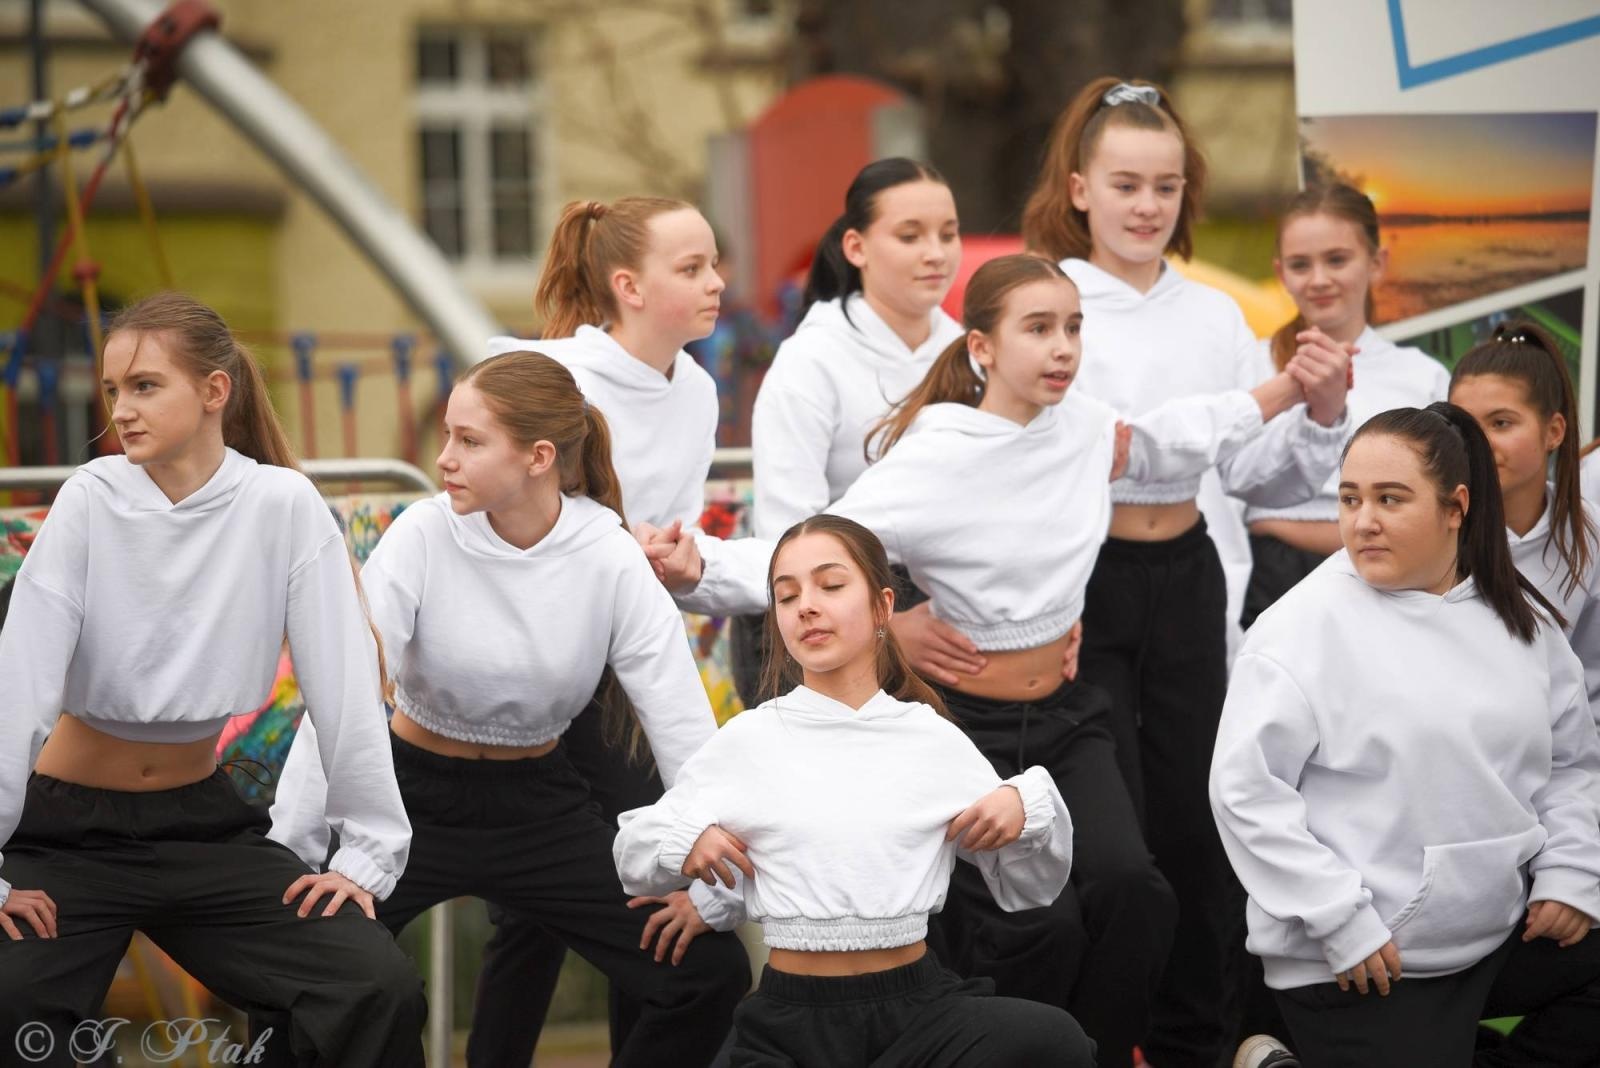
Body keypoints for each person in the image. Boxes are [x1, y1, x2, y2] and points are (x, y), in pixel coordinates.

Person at [269, 351, 750, 1067]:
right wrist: (294, 850)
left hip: (541, 809)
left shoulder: (608, 554)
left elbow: (679, 722)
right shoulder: (422, 535)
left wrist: (710, 884)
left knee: (708, 976)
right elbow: (346, 699)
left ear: (538, 456)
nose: (445, 459)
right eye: (447, 437)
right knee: (314, 969)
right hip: (410, 797)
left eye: (470, 440)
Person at [1021, 75, 1353, 1067]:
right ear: (1079, 187)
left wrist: (1322, 410)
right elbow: (1117, 447)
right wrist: (1262, 394)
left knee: (1197, 827)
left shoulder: (1211, 313)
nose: (1145, 206)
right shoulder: (1051, 302)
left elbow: (1251, 469)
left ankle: (1198, 1044)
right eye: (1125, 184)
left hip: (1191, 577)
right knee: (1109, 842)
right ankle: (1094, 1040)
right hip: (1082, 579)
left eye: (1165, 186)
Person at [0, 292, 424, 1067]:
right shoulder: (91, 501)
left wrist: (364, 851)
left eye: (145, 386)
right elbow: (17, 689)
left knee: (372, 984)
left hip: (203, 827)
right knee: (10, 1001)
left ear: (214, 392)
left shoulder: (282, 505)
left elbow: (343, 685)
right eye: (113, 391)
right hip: (63, 836)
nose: (121, 410)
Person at [614, 513, 1095, 1067]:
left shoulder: (931, 739)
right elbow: (634, 855)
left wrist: (1022, 806)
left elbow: (1028, 888)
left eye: (832, 585)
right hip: (788, 1025)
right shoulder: (749, 740)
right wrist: (688, 837)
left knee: (1055, 1041)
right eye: (786, 596)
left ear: (883, 606)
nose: (807, 607)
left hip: (922, 1013)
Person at [1211, 401, 1600, 1068]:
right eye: (1350, 498)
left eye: (1391, 499)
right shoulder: (1300, 631)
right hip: (1361, 958)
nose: (1363, 522)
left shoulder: (1522, 622)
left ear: (1456, 508)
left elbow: (1573, 763)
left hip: (1494, 933)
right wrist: (1341, 920)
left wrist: (1570, 873)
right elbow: (1246, 794)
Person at [475, 196, 765, 1065]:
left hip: (626, 672)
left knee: (652, 883)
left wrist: (679, 554)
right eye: (693, 269)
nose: (717, 284)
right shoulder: (534, 371)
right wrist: (609, 538)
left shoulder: (699, 389)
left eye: (716, 264)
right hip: (524, 674)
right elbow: (480, 517)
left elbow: (664, 533)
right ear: (628, 286)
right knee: (529, 918)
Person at [741, 158, 974, 702]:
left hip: (949, 606)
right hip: (822, 605)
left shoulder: (970, 351)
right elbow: (788, 535)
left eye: (948, 233)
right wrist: (885, 627)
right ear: (856, 247)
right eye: (909, 235)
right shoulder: (810, 360)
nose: (935, 253)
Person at [1240, 183, 1451, 628]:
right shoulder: (1251, 364)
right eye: (1301, 264)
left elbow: (1441, 501)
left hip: (1391, 587)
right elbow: (1234, 487)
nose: (1319, 279)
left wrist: (1282, 526)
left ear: (1377, 262)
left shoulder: (1420, 376)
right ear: (1280, 272)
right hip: (1272, 586)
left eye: (1337, 260)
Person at [1450, 320, 1600, 718]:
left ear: (1553, 431)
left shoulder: (1590, 532)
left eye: (1501, 423)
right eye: (1463, 425)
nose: (1479, 443)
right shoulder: (1430, 530)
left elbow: (1592, 677)